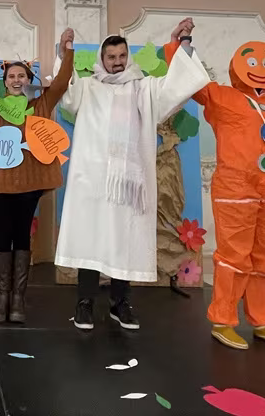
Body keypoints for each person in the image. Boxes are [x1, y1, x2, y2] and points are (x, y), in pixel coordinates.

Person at [55, 19, 210, 331]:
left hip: (129, 184)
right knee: (90, 240)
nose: (117, 62)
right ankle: (84, 304)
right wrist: (65, 52)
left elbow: (176, 87)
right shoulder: (88, 87)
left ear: (128, 57)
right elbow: (66, 94)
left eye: (121, 56)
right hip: (92, 181)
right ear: (102, 58)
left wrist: (182, 43)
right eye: (111, 57)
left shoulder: (143, 88)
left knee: (124, 239)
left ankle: (120, 303)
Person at [174, 39, 265, 350]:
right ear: (238, 68)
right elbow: (193, 82)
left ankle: (263, 321)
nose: (260, 70)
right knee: (233, 258)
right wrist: (182, 44)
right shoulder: (224, 97)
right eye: (252, 63)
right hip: (235, 192)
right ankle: (223, 321)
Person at [0, 28, 75, 324]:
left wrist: (67, 50)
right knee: (1, 237)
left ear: (29, 80)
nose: (17, 80)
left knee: (22, 236)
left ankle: (18, 298)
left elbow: (62, 82)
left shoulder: (41, 104)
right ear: (5, 81)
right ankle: (2, 296)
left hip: (29, 183)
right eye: (11, 76)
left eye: (22, 75)